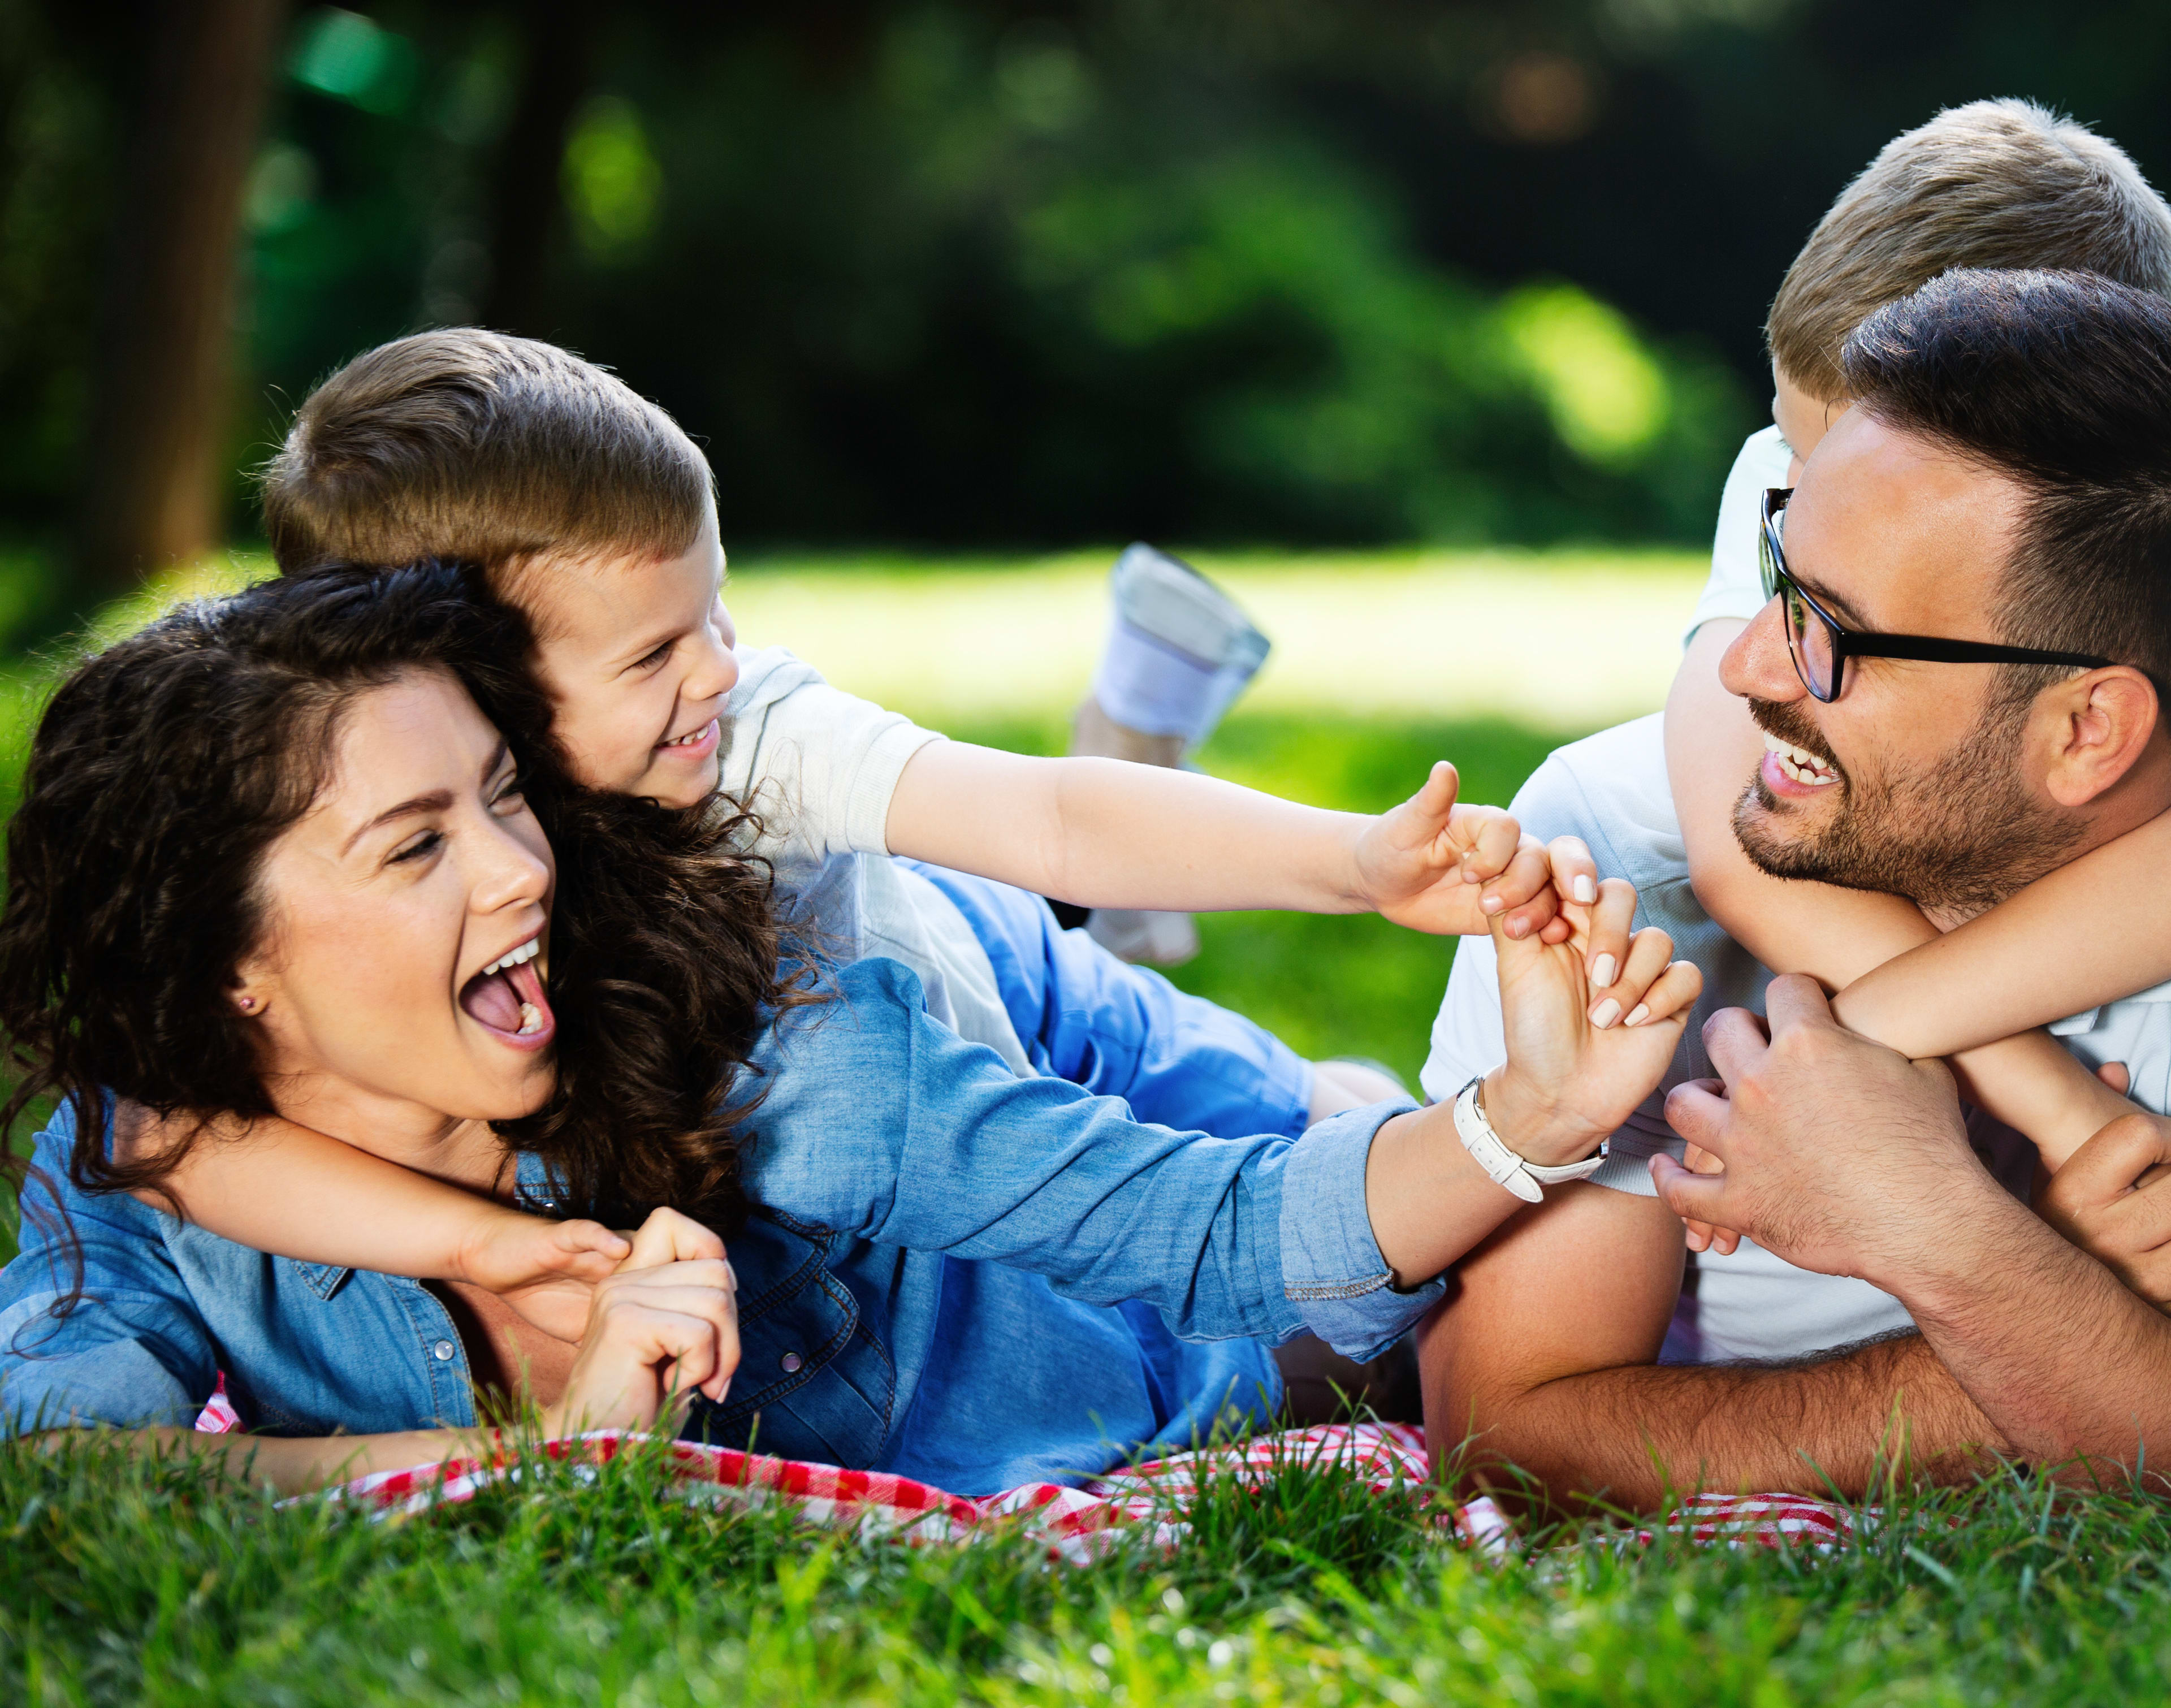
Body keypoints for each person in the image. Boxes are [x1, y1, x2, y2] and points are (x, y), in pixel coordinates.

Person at [0, 564, 1701, 1497]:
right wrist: (535, 1451)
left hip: (1081, 1128)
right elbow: (65, 1469)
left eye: (509, 796)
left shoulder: (773, 1067)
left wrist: (1520, 1119)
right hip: (958, 1024)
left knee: (1407, 1266)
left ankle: (1130, 874)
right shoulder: (142, 1168)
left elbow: (1244, 1239)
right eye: (416, 842)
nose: (523, 865)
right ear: (224, 966)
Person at [113, 330, 1631, 1375]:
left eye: (716, 611)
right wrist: (490, 1251)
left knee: (1330, 1190)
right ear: (465, 673)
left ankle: (1148, 806)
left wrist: (1360, 861)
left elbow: (1039, 815)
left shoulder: (740, 727)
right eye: (653, 653)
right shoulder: (360, 845)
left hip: (1005, 981)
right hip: (942, 1070)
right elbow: (162, 1137)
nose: (720, 665)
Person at [1418, 269, 2171, 1511]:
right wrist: (2063, 1312)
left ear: (2089, 728)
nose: (1745, 662)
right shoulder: (1623, 851)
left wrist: (1959, 1251)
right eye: (1774, 573)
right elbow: (1511, 1434)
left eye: (1833, 631)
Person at [1664, 99, 2171, 1183]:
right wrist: (2048, 1093)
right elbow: (1732, 858)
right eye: (1798, 453)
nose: (1810, 491)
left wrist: (1870, 1028)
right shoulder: (1790, 467)